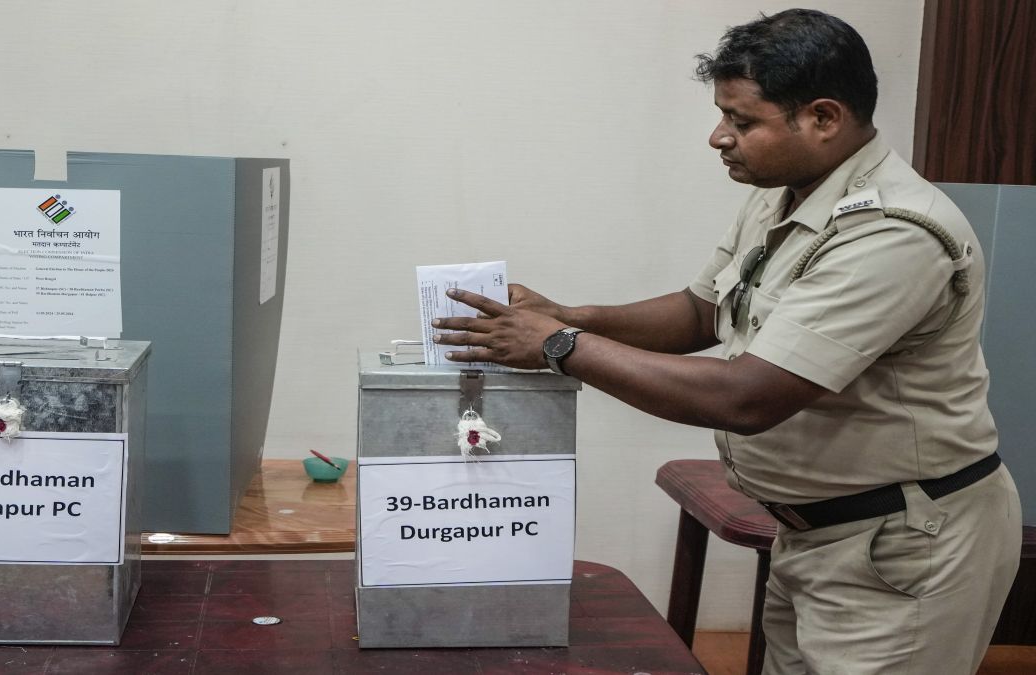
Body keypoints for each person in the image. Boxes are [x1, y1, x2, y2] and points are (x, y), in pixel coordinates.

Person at [430, 8, 1022, 674]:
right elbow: (701, 310)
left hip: (902, 544)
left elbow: (749, 397)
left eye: (743, 121)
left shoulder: (892, 234)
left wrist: (560, 344)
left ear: (824, 118)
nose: (720, 137)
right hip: (814, 534)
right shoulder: (789, 194)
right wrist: (576, 313)